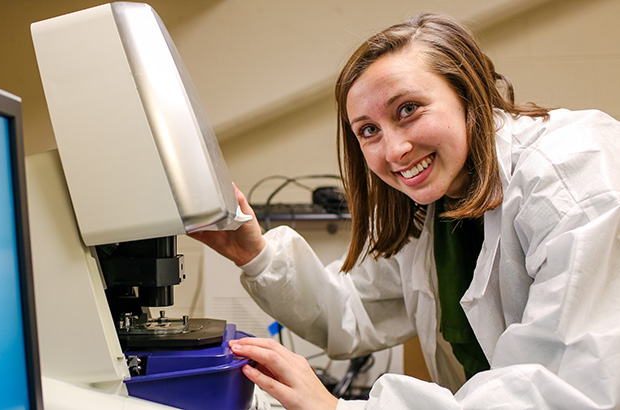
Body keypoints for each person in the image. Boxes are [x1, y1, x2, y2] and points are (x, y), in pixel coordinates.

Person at [190, 13, 620, 410]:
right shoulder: (435, 204)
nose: (394, 150)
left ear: (469, 94)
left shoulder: (572, 177)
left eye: (409, 109)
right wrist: (255, 254)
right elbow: (352, 309)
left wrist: (335, 408)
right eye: (369, 130)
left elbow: (563, 390)